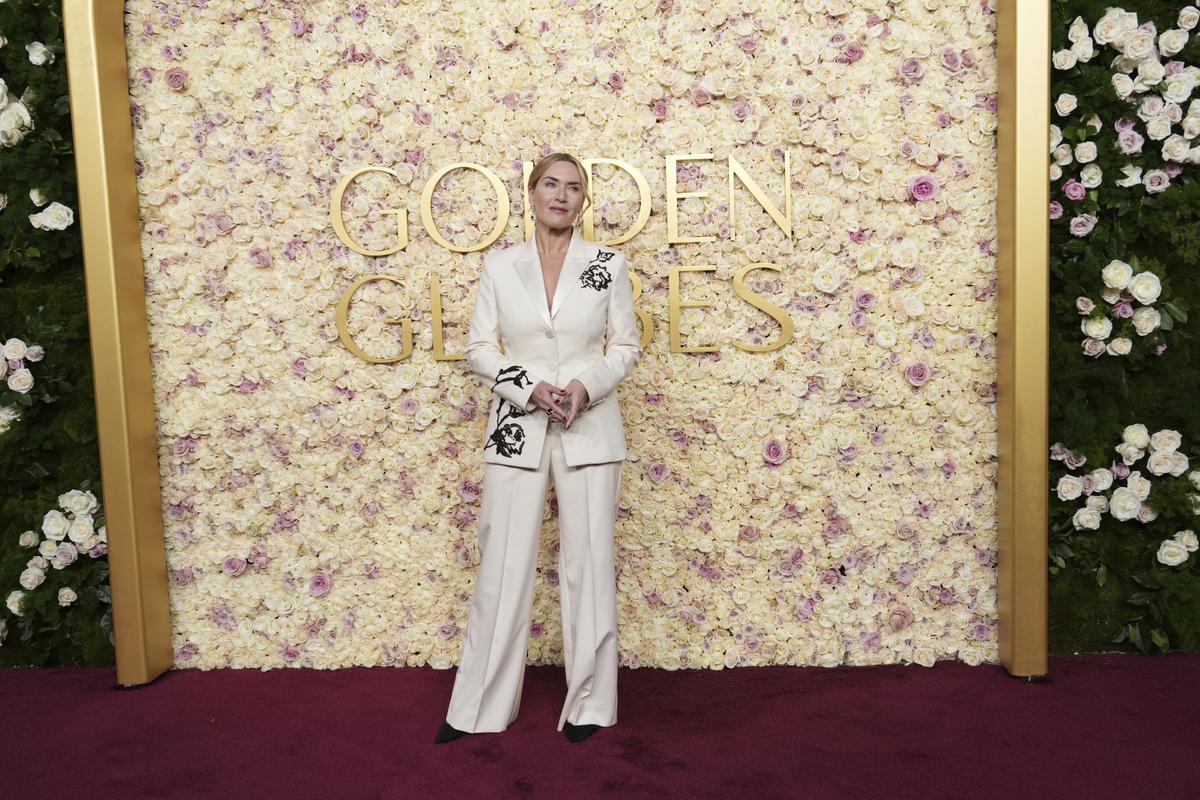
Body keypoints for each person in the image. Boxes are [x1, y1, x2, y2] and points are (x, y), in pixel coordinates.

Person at [436, 152, 643, 744]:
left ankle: (591, 707)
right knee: (501, 566)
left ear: (583, 200)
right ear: (530, 194)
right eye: (551, 184)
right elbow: (478, 348)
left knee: (589, 566)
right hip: (514, 428)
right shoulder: (501, 267)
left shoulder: (608, 264)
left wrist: (583, 385)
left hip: (591, 429)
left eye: (573, 187)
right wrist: (530, 388)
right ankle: (477, 708)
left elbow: (625, 347)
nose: (561, 195)